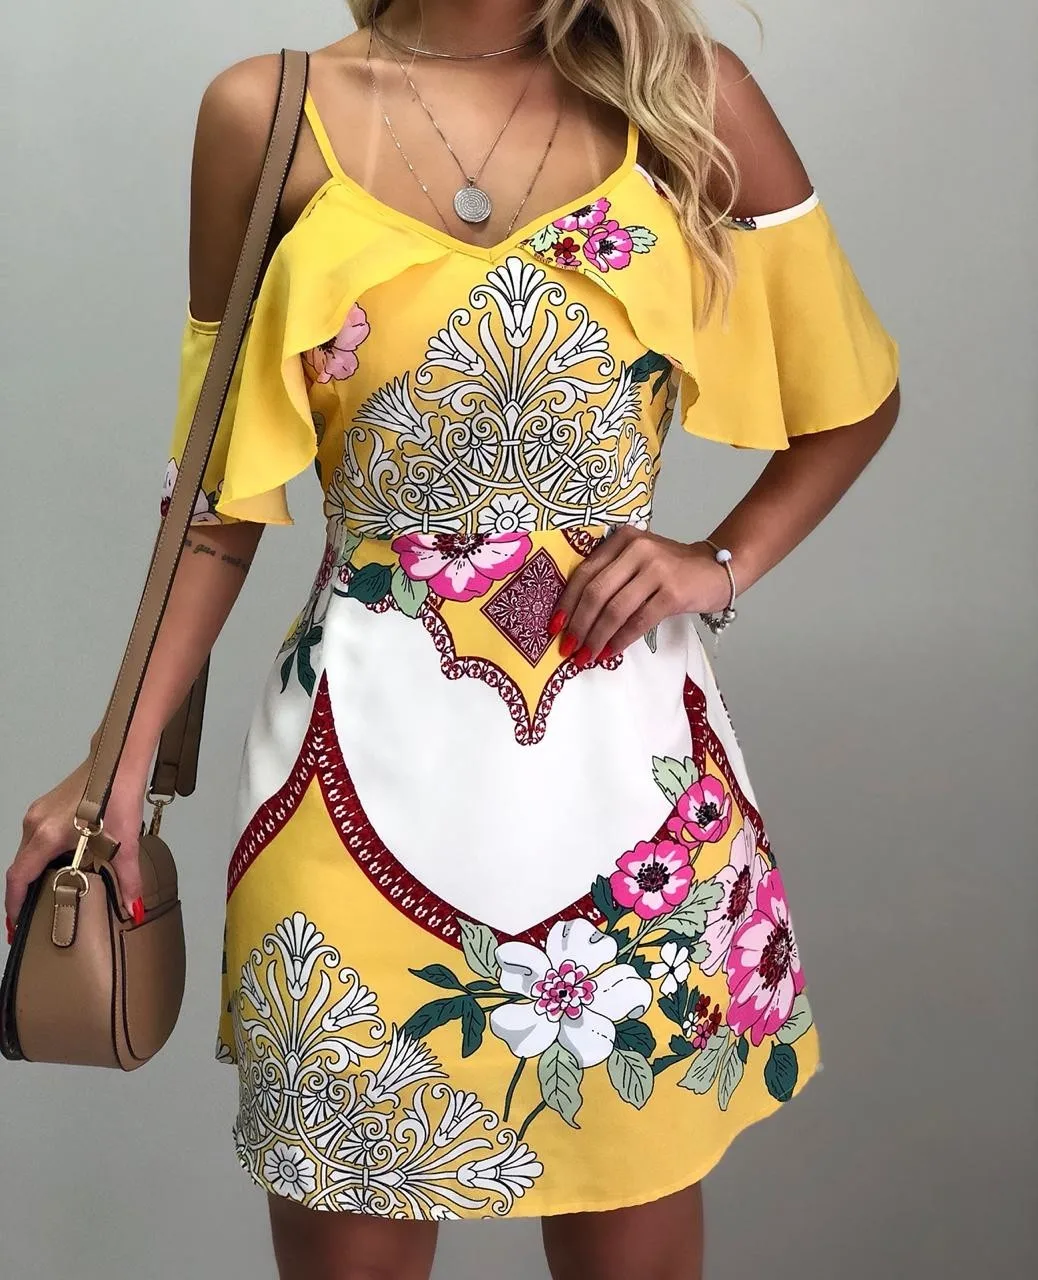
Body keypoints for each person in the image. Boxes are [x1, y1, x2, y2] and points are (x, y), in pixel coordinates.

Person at [5, 1, 900, 1276]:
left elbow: (853, 394)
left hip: (637, 818)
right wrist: (113, 767)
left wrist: (718, 561)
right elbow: (213, 499)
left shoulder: (687, 96)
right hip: (347, 792)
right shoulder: (267, 115)